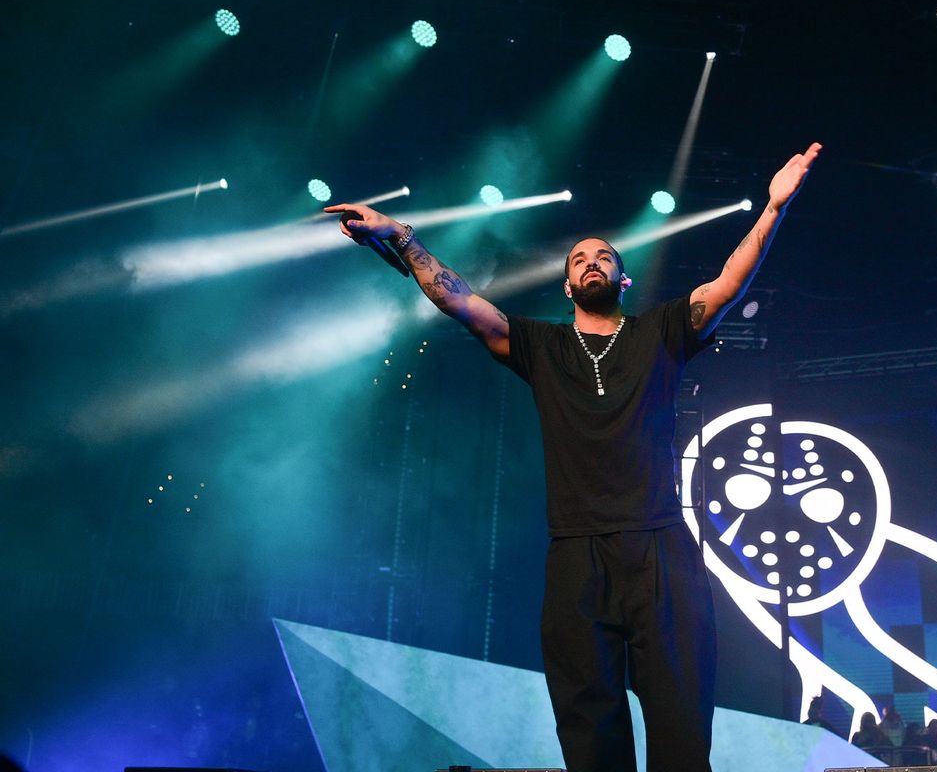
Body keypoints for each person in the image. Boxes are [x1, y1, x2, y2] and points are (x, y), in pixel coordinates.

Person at [325, 141, 822, 772]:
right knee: (587, 723)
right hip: (577, 554)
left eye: (604, 256)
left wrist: (774, 208)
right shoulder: (541, 345)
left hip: (659, 548)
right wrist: (402, 238)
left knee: (680, 714)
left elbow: (727, 284)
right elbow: (459, 300)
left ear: (623, 277)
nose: (592, 262)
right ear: (567, 285)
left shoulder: (661, 333)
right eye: (579, 258)